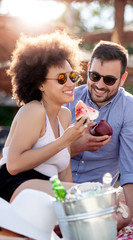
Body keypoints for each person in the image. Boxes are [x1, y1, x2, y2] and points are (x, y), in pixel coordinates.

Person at [65, 40, 133, 228]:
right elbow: (44, 152)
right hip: (57, 185)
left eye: (109, 80)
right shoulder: (68, 99)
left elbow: (131, 167)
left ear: (123, 79)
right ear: (88, 70)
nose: (100, 85)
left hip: (97, 195)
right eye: (94, 76)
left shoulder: (131, 109)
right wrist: (74, 147)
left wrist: (131, 218)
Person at [0, 31, 85, 202]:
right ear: (40, 84)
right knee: (88, 195)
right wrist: (64, 140)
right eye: (61, 78)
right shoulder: (33, 111)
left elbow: (65, 173)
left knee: (91, 196)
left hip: (47, 187)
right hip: (14, 183)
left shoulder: (64, 115)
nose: (70, 83)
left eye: (73, 76)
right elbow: (14, 165)